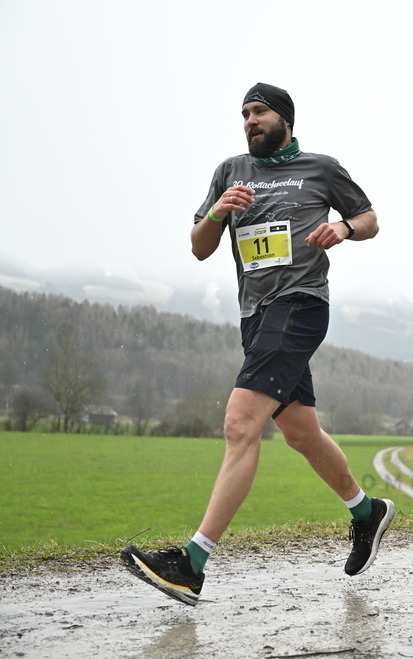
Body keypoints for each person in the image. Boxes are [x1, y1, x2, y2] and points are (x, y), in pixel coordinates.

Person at [120, 82, 395, 605]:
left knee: (240, 424)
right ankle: (367, 511)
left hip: (301, 304)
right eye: (245, 113)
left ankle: (191, 563)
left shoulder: (321, 168)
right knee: (301, 432)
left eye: (260, 111)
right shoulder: (230, 171)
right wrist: (218, 212)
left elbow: (370, 220)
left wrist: (343, 229)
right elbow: (199, 247)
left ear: (285, 119)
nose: (250, 120)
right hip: (256, 315)